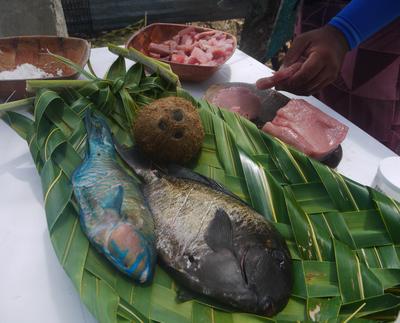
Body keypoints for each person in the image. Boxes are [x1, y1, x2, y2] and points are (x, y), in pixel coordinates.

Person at [256, 0, 400, 154]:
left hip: (377, 22)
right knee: (312, 89)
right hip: (320, 16)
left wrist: (344, 31)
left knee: (362, 143)